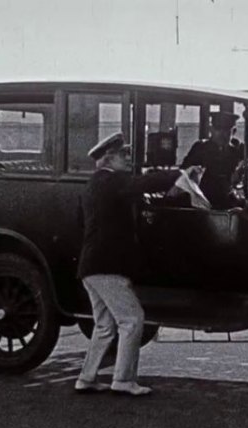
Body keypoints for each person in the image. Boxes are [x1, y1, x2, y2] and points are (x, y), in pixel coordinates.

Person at [74, 131, 200, 395]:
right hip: (108, 267)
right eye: (123, 155)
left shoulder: (93, 185)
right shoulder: (112, 181)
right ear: (109, 158)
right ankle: (122, 380)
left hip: (91, 267)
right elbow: (142, 183)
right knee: (132, 320)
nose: (128, 159)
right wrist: (177, 174)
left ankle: (86, 378)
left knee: (105, 326)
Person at [181, 111, 245, 209]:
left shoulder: (237, 151)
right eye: (218, 129)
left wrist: (239, 174)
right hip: (203, 199)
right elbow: (185, 174)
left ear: (234, 131)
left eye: (227, 130)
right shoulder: (200, 148)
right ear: (211, 130)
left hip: (228, 196)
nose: (222, 134)